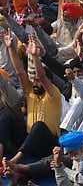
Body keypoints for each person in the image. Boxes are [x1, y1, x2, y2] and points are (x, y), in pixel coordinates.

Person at [6, 34, 62, 163]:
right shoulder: (31, 90)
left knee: (39, 125)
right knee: (6, 117)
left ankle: (16, 159)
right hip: (30, 141)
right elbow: (20, 71)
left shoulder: (53, 94)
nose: (35, 84)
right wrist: (10, 47)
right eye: (34, 80)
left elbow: (42, 77)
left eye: (38, 81)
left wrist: (35, 56)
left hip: (48, 144)